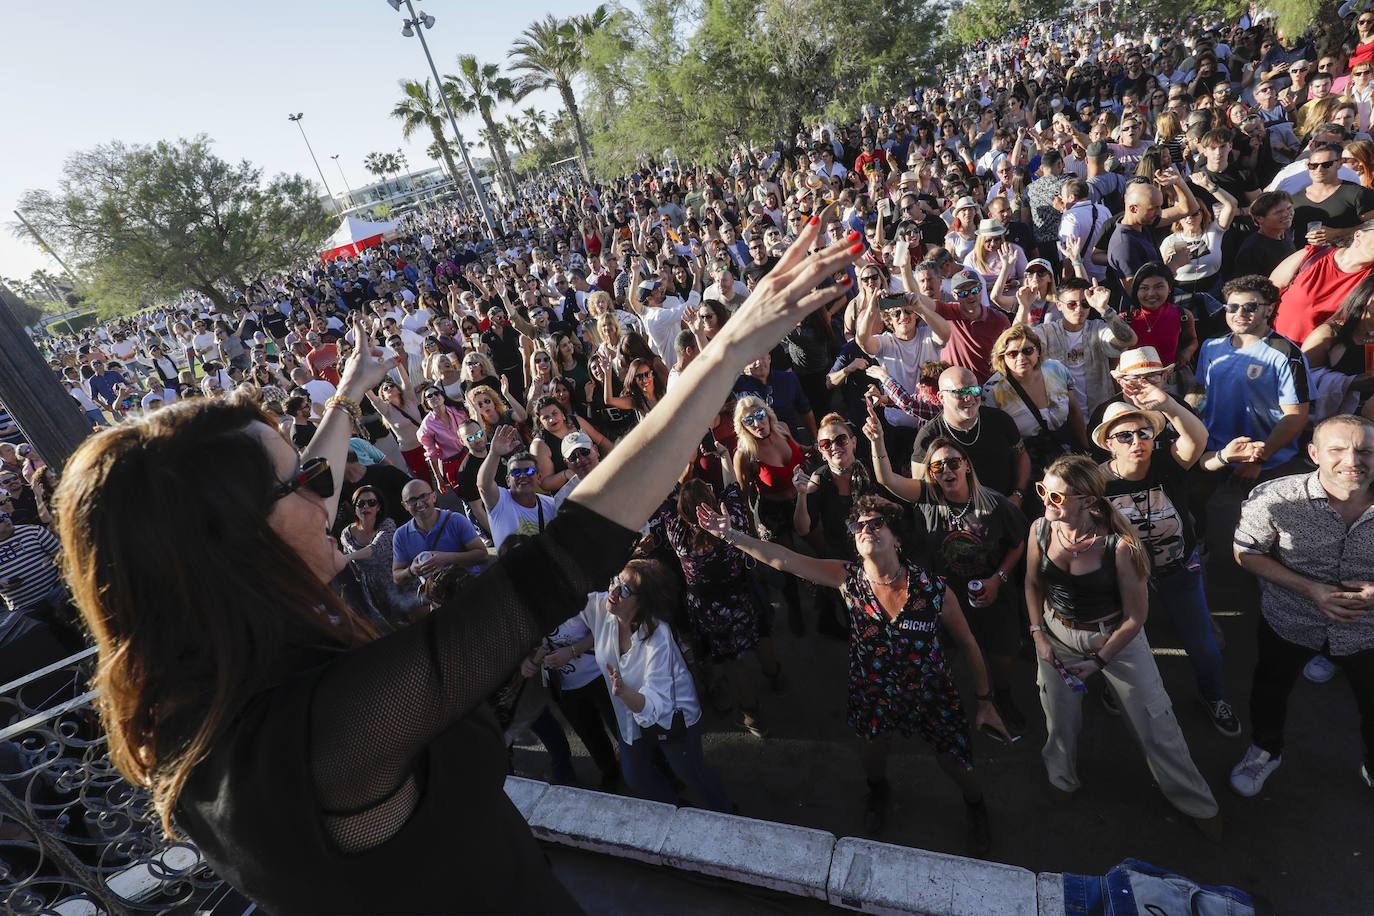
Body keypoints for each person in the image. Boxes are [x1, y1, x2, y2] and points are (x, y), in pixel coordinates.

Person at [55, 220, 859, 911]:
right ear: (231, 544)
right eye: (300, 479)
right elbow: (569, 548)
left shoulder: (199, 692)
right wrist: (727, 351)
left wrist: (344, 398)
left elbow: (311, 486)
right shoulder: (333, 734)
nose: (333, 488)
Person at [697, 494, 1008, 853]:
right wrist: (732, 536)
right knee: (872, 752)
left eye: (876, 524)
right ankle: (878, 791)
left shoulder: (934, 589)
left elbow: (968, 643)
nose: (866, 530)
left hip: (931, 691)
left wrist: (985, 701)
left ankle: (975, 805)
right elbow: (787, 559)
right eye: (859, 526)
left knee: (955, 760)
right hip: (871, 690)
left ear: (897, 538)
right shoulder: (848, 579)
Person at [1025, 455, 1222, 838]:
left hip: (1115, 636)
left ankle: (1197, 803)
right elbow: (1033, 585)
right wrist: (1038, 634)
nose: (1047, 501)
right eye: (1043, 491)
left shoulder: (1120, 546)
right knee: (1059, 719)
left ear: (1089, 502)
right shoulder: (1039, 530)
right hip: (1056, 633)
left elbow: (1135, 617)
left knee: (1155, 721)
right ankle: (1060, 779)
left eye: (1058, 497)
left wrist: (1100, 660)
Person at [1230, 414, 1374, 797]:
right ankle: (1265, 749)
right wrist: (1310, 589)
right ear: (1313, 453)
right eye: (1338, 450)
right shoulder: (1274, 497)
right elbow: (1246, 552)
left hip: (1367, 631)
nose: (1353, 461)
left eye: (1365, 451)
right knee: (1270, 690)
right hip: (1290, 620)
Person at [1095, 396, 1244, 736]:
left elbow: (1197, 439)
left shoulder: (1167, 463)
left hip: (1178, 566)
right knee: (1123, 642)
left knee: (1203, 646)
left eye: (1145, 433)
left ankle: (1214, 696)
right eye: (1125, 436)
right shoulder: (1097, 482)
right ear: (1108, 443)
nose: (1138, 442)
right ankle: (1115, 688)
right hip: (1126, 579)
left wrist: (1168, 405)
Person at [577, 558, 733, 810]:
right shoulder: (601, 609)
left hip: (672, 718)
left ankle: (726, 812)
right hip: (628, 715)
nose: (614, 591)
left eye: (625, 590)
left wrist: (625, 693)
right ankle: (674, 809)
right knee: (636, 777)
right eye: (615, 581)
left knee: (691, 774)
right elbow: (569, 593)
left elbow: (657, 704)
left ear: (643, 602)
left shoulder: (658, 636)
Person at [653, 451, 778, 736]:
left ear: (681, 512)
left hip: (709, 607)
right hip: (742, 594)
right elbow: (732, 483)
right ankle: (776, 677)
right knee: (760, 634)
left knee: (730, 659)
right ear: (711, 499)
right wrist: (722, 454)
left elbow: (663, 497)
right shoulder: (730, 519)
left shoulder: (679, 536)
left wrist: (678, 471)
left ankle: (753, 716)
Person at [1193, 276, 1313, 482]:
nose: (1239, 313)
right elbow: (1199, 392)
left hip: (1265, 466)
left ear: (1269, 309)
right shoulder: (1210, 346)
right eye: (1232, 307)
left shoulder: (1286, 354)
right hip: (1215, 455)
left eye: (1250, 307)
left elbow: (1297, 415)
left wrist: (1258, 460)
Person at [982, 324, 1089, 485]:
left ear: (1038, 350)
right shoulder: (993, 390)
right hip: (1026, 467)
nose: (1021, 358)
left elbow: (1074, 413)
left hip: (1066, 457)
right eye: (1012, 353)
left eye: (1027, 350)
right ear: (1002, 357)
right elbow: (995, 440)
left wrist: (1086, 451)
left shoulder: (1056, 370)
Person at [1022, 278, 1138, 413]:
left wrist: (1104, 309)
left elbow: (1129, 340)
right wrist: (1023, 307)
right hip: (1060, 415)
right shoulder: (1047, 332)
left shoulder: (1098, 329)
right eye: (1072, 304)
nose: (1079, 309)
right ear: (1059, 305)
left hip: (1100, 412)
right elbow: (1017, 344)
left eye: (1085, 304)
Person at [338, 485, 421, 626]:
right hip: (376, 590)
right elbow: (355, 570)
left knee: (420, 618)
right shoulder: (346, 534)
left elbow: (375, 549)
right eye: (361, 503)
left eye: (371, 503)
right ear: (354, 507)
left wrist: (348, 558)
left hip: (400, 580)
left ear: (379, 507)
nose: (366, 507)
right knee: (396, 628)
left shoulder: (387, 524)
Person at [479, 428, 558, 550]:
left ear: (539, 477)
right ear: (508, 480)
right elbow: (484, 485)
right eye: (515, 472)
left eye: (529, 471)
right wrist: (494, 454)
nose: (522, 475)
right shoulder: (500, 502)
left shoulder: (551, 505)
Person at [417, 386, 469, 494]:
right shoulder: (427, 426)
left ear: (443, 396)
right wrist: (438, 479)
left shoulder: (459, 411)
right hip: (451, 464)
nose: (434, 397)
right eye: (429, 396)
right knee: (466, 497)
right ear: (426, 403)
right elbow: (432, 454)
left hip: (469, 455)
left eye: (437, 393)